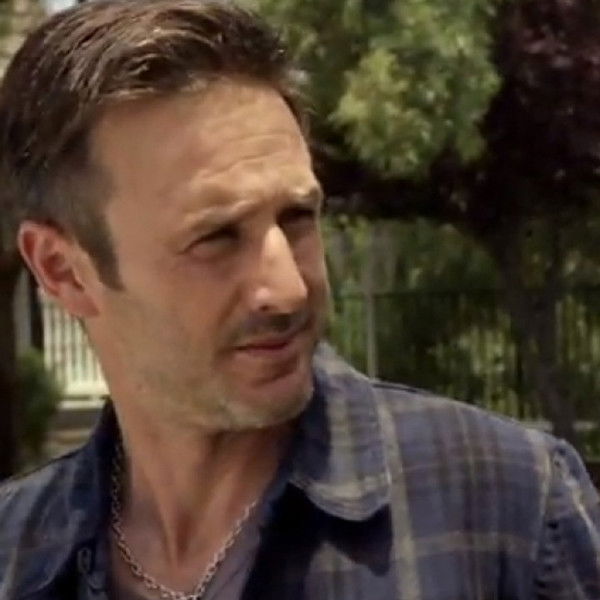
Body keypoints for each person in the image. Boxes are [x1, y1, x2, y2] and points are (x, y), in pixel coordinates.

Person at [0, 0, 599, 598]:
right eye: (216, 237)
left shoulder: (509, 514)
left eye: (297, 218)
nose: (288, 288)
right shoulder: (16, 555)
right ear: (63, 271)